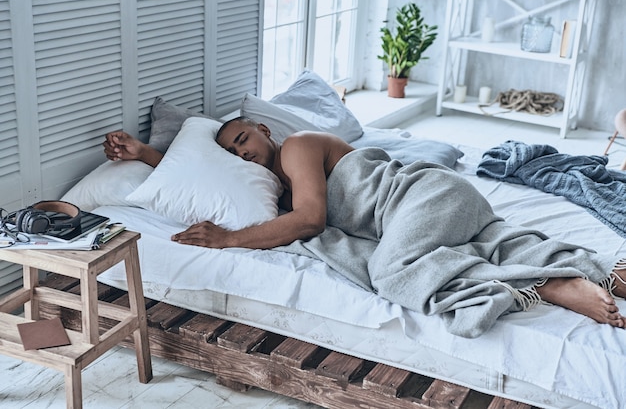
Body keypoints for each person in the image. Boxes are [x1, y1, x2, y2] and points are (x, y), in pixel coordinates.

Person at [103, 117, 626, 336]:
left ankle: (549, 286)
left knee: (392, 274)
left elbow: (310, 220)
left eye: (243, 140)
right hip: (438, 208)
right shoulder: (273, 187)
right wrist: (148, 154)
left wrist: (229, 239)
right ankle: (599, 273)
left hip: (425, 194)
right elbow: (198, 179)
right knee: (492, 244)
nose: (245, 153)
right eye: (234, 154)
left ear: (263, 129)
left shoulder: (299, 148)